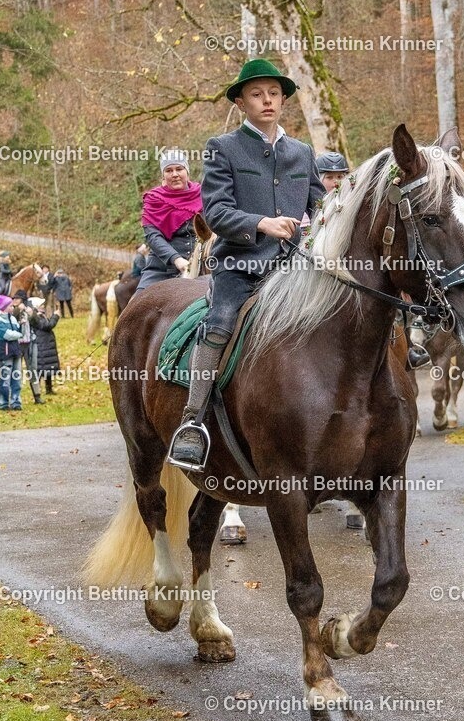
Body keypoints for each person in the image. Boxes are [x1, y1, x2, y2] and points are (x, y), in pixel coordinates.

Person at [169, 57, 325, 467]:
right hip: (240, 266)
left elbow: (321, 206)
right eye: (257, 94)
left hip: (296, 268)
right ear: (241, 102)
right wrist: (261, 223)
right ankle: (193, 421)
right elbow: (216, 212)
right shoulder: (223, 148)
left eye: (274, 93)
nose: (267, 100)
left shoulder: (302, 152)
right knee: (219, 321)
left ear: (284, 100)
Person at [136, 151, 203, 292]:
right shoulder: (153, 199)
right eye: (169, 170)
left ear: (187, 171)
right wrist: (176, 259)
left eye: (179, 169)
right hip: (162, 270)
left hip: (204, 265)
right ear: (163, 175)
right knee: (134, 307)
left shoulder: (204, 194)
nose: (174, 174)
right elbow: (153, 237)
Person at [0, 295, 23, 411]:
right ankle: (2, 402)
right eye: (10, 305)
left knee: (17, 378)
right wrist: (19, 334)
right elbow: (8, 335)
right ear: (4, 307)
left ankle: (16, 401)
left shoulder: (13, 318)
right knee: (5, 379)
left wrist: (20, 329)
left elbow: (18, 331)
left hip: (15, 351)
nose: (13, 307)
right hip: (4, 353)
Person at [13, 291, 45, 405]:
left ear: (22, 299)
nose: (15, 300)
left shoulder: (29, 309)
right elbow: (12, 322)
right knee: (16, 371)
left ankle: (37, 396)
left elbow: (38, 324)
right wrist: (18, 310)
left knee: (33, 369)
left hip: (30, 342)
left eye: (17, 298)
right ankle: (15, 398)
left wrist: (31, 314)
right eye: (14, 298)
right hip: (16, 344)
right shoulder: (10, 309)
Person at [33, 306, 61, 396]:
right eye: (41, 305)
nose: (43, 307)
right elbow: (47, 326)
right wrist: (55, 316)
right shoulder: (36, 317)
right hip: (41, 344)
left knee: (47, 368)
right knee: (41, 368)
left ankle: (49, 389)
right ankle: (36, 391)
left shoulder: (41, 316)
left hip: (46, 344)